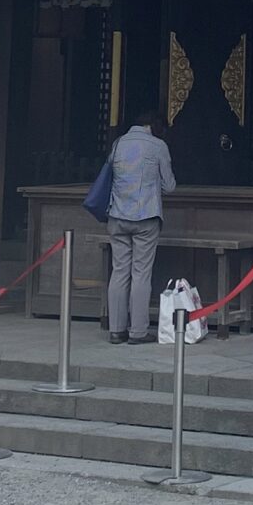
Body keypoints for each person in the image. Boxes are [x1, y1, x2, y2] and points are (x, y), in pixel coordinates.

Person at [102, 114, 175, 344]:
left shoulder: (118, 143)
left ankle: (116, 330)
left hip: (117, 215)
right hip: (145, 216)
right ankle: (138, 331)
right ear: (155, 126)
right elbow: (169, 186)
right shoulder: (158, 146)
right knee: (141, 273)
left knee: (119, 271)